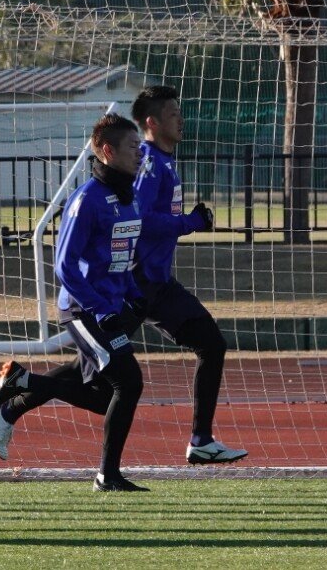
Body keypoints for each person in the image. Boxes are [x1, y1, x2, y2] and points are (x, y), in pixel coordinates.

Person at [0, 114, 150, 492]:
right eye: (132, 147)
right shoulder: (86, 200)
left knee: (102, 394)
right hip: (82, 309)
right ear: (108, 151)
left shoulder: (131, 198)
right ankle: (107, 476)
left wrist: (133, 294)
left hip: (111, 307)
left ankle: (19, 387)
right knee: (128, 383)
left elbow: (120, 257)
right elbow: (64, 267)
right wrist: (101, 309)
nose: (139, 153)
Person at [126, 85, 246, 465]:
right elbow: (140, 219)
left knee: (212, 345)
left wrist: (188, 222)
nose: (181, 119)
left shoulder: (164, 161)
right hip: (135, 284)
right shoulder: (149, 163)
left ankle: (201, 441)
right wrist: (190, 222)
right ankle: (24, 388)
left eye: (180, 112)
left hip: (159, 284)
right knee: (96, 374)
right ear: (152, 122)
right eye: (173, 113)